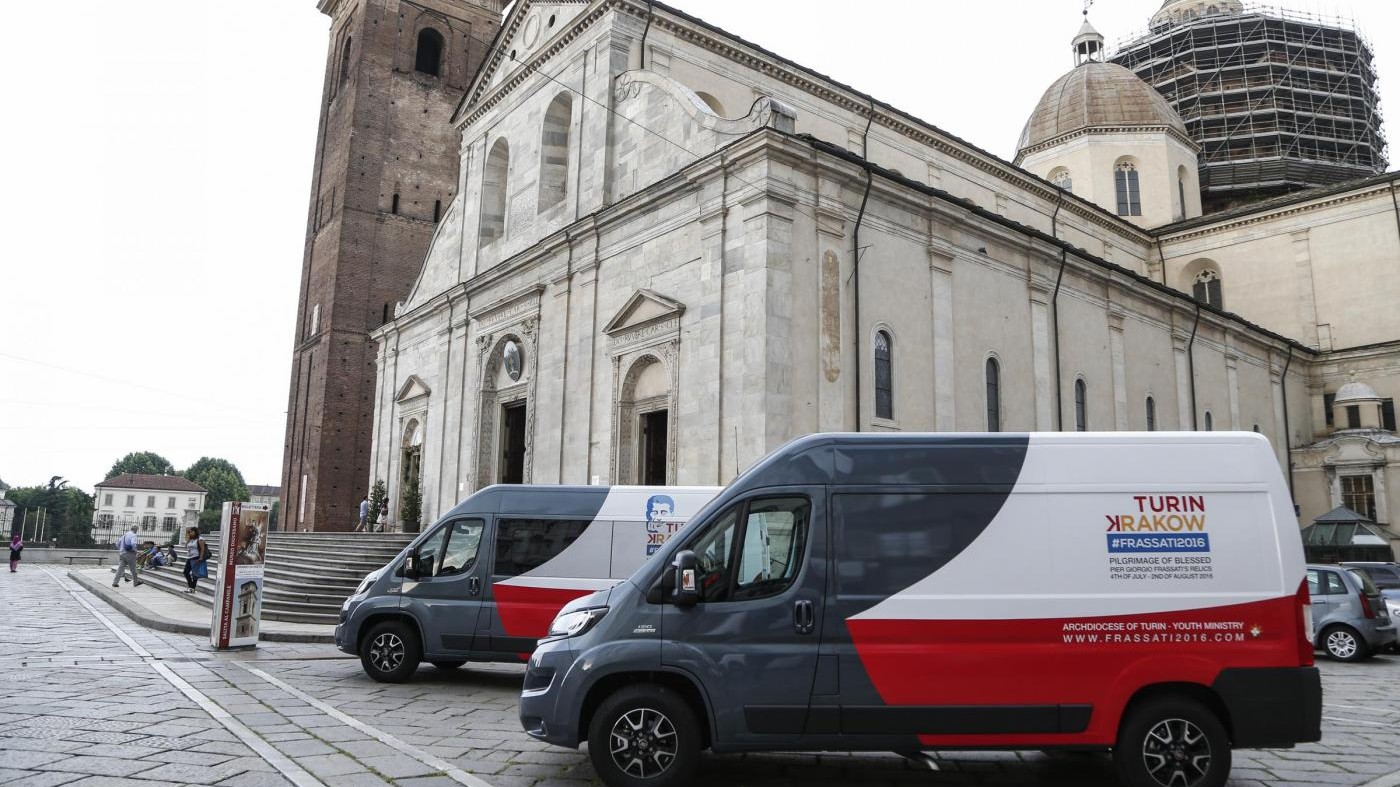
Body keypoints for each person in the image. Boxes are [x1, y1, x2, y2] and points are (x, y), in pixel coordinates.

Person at [183, 527, 209, 594]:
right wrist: (188, 540)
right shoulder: (191, 539)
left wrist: (200, 558)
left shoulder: (200, 539)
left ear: (195, 532)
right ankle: (191, 586)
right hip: (189, 557)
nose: (190, 533)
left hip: (196, 557)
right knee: (186, 572)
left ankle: (192, 588)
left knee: (195, 574)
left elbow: (202, 549)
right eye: (189, 532)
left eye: (192, 532)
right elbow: (185, 546)